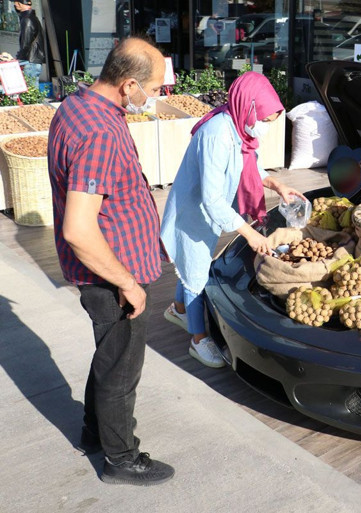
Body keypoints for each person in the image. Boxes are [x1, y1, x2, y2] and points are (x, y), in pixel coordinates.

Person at [47, 37, 175, 486]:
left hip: (110, 269)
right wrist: (128, 282)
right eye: (155, 88)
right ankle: (121, 459)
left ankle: (93, 433)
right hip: (112, 276)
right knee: (122, 368)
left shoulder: (78, 106)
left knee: (110, 356)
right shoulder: (99, 131)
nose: (158, 97)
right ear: (129, 84)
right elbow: (79, 228)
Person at [160, 71, 305, 368]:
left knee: (191, 264)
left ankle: (177, 309)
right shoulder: (216, 135)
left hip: (212, 211)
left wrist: (277, 185)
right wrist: (249, 234)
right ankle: (198, 340)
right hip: (195, 212)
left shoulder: (239, 127)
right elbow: (211, 200)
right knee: (197, 274)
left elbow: (249, 167)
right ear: (248, 106)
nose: (264, 128)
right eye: (264, 120)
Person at [14, 0, 45, 80]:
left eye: (16, 2)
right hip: (33, 61)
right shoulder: (32, 18)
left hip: (29, 62)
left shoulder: (27, 19)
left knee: (30, 90)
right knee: (32, 89)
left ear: (18, 4)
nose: (15, 5)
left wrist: (18, 59)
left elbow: (25, 44)